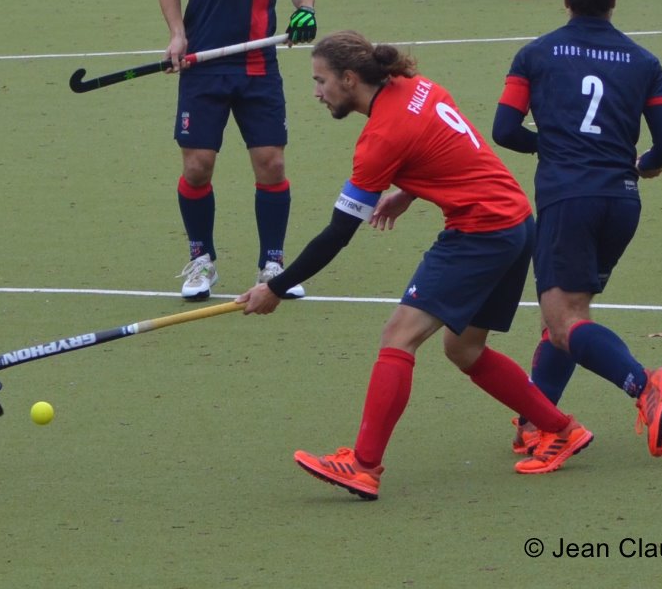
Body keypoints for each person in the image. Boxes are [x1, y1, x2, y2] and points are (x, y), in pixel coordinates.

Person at [238, 31, 594, 500]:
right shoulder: (413, 85)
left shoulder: (380, 138)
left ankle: (363, 466)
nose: (317, 93)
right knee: (463, 349)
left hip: (480, 231)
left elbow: (338, 235)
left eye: (321, 81)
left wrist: (276, 288)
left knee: (398, 336)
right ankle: (562, 429)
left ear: (349, 79)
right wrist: (410, 189)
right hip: (515, 220)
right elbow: (446, 144)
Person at [492, 0, 662, 459]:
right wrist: (644, 162)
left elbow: (505, 130)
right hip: (621, 202)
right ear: (614, 0)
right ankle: (536, 418)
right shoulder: (644, 63)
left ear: (567, 0)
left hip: (567, 198)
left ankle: (644, 384)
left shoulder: (535, 56)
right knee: (566, 315)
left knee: (564, 320)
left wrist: (551, 144)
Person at [158, 0, 318, 302]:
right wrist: (176, 34)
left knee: (271, 163)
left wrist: (304, 9)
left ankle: (273, 264)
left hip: (258, 67)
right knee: (197, 168)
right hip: (203, 65)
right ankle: (201, 259)